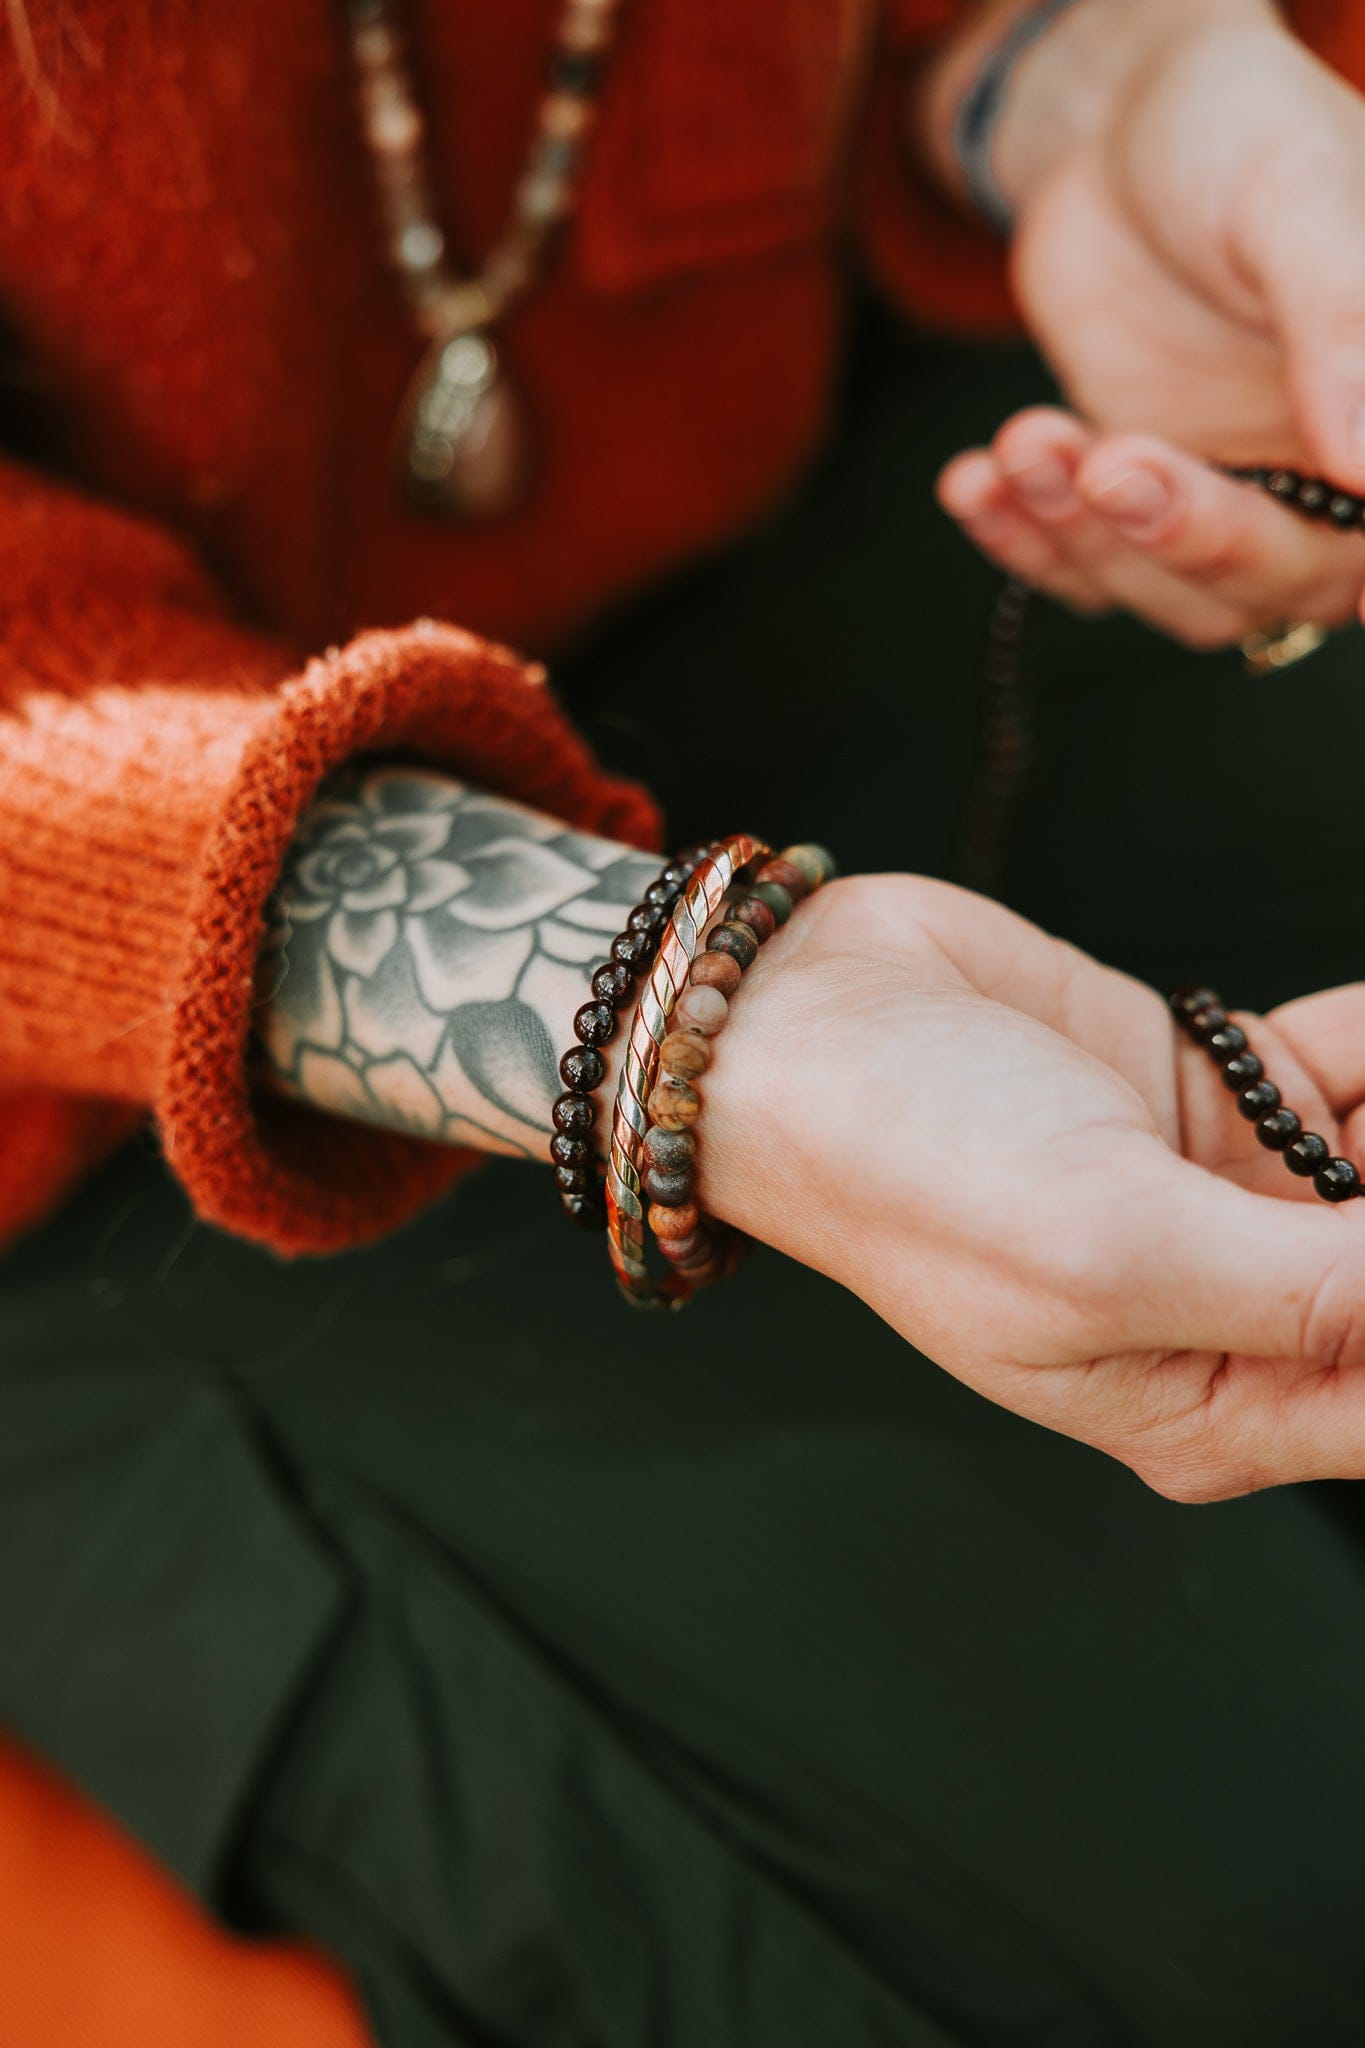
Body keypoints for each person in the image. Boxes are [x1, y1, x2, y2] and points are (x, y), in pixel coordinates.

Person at [4, 0, 1365, 2041]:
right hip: (89, 1111)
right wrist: (688, 1024)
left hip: (809, 546)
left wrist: (1079, 75)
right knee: (1238, 1913)